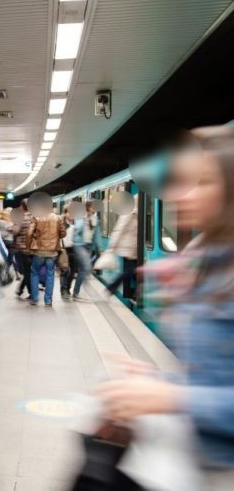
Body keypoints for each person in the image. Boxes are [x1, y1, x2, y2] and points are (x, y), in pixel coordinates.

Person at [96, 125, 234, 489]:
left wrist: (172, 396)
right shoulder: (211, 261)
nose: (181, 195)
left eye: (202, 183)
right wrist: (156, 382)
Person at [27, 208, 66, 306]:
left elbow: (29, 233)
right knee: (50, 275)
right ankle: (48, 301)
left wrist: (29, 247)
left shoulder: (36, 217)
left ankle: (34, 298)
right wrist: (56, 236)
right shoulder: (57, 218)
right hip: (52, 252)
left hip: (39, 251)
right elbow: (63, 233)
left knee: (35, 273)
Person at [105, 195, 138, 298]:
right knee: (129, 271)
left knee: (133, 271)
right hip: (127, 248)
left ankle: (135, 292)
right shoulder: (129, 213)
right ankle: (111, 288)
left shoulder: (136, 213)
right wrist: (112, 247)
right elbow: (119, 229)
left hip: (133, 248)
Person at [70, 208, 92, 301]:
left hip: (85, 245)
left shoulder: (91, 218)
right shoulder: (81, 218)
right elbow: (77, 229)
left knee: (84, 268)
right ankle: (76, 292)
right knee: (85, 267)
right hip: (79, 245)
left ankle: (76, 292)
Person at [14, 200, 33, 299]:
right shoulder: (34, 217)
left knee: (27, 272)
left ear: (22, 207)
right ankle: (20, 289)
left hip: (23, 247)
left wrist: (10, 228)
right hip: (33, 248)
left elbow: (16, 231)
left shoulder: (22, 217)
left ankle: (31, 293)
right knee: (29, 271)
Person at [59, 208, 76, 300]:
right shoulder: (62, 225)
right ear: (65, 213)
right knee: (65, 270)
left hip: (73, 249)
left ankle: (68, 288)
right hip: (64, 249)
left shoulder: (76, 224)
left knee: (73, 271)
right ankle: (63, 290)